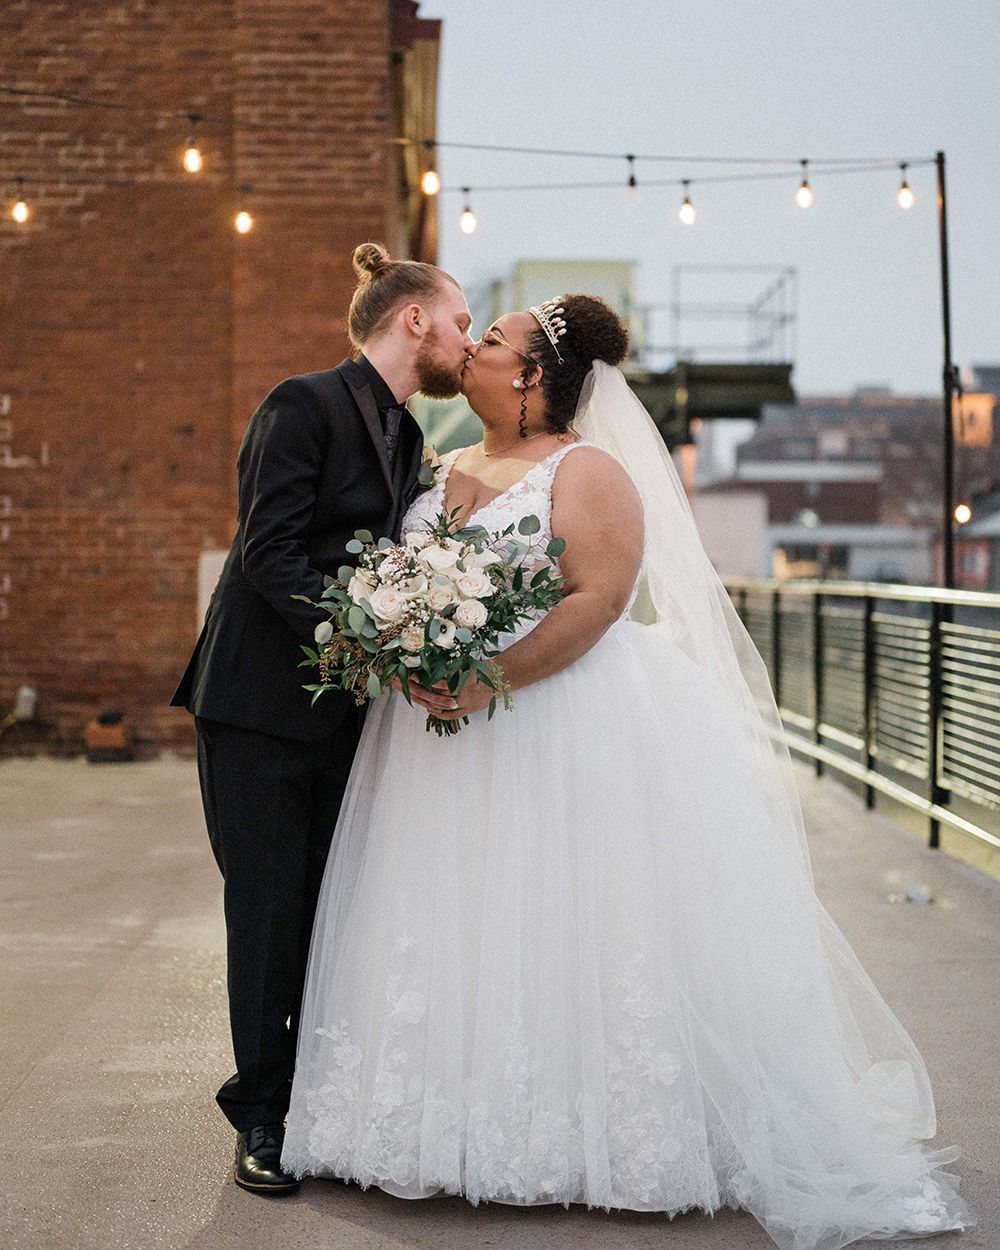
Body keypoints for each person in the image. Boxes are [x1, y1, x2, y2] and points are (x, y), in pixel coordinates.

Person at [280, 295, 974, 1249]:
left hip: (552, 724)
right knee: (448, 906)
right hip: (428, 743)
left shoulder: (588, 471)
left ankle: (577, 1135)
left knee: (558, 913)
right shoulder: (438, 466)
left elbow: (600, 599)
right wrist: (411, 651)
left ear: (532, 375)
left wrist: (487, 680)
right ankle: (436, 1126)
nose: (472, 347)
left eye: (493, 339)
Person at [171, 242, 474, 1194]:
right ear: (413, 318)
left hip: (344, 717)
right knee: (267, 915)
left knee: (327, 910)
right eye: (460, 321)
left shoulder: (410, 440)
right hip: (257, 705)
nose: (467, 342)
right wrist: (375, 638)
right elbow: (266, 553)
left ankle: (315, 1103)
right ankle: (260, 1117)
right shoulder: (299, 405)